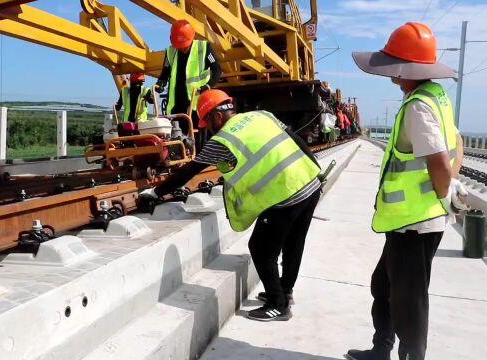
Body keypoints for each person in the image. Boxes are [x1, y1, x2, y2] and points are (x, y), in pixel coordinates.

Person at [140, 89, 323, 321]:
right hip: (309, 184)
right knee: (294, 242)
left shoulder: (222, 141)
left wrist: (155, 192)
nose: (208, 128)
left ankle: (279, 305)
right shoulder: (262, 116)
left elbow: (187, 173)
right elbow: (296, 140)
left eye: (207, 122)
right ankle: (285, 292)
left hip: (286, 194)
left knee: (260, 248)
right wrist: (317, 171)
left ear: (217, 117)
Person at [346, 22, 467, 360]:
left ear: (407, 68)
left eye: (395, 67)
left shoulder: (418, 107)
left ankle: (410, 356)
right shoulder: (436, 96)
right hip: (409, 220)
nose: (392, 75)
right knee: (383, 288)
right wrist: (448, 188)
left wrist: (444, 189)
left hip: (416, 223)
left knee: (409, 304)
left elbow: (441, 165)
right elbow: (457, 142)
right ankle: (381, 350)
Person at [155, 20, 222, 146]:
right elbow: (164, 74)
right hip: (176, 104)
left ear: (192, 38)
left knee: (199, 139)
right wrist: (160, 85)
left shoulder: (203, 48)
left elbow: (217, 70)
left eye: (185, 45)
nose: (182, 48)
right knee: (177, 136)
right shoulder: (170, 52)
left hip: (197, 103)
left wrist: (207, 86)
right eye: (179, 46)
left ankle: (199, 159)